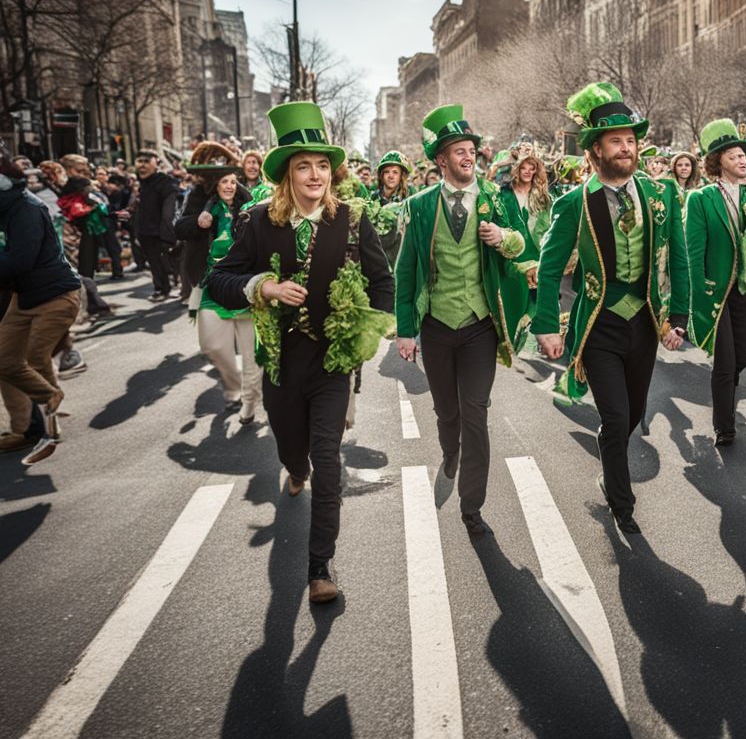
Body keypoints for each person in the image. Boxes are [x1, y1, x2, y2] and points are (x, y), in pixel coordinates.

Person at [207, 102, 394, 603]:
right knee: (294, 447)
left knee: (328, 456)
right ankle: (294, 467)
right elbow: (217, 280)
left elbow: (382, 282)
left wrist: (371, 329)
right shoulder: (257, 221)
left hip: (334, 362)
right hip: (283, 363)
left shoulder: (351, 219)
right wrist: (264, 288)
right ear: (286, 175)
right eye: (303, 166)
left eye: (322, 165)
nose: (315, 175)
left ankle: (320, 567)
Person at [533, 82, 689, 534]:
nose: (626, 147)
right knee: (616, 416)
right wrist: (547, 325)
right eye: (616, 141)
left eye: (631, 139)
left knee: (634, 414)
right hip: (598, 326)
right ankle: (621, 501)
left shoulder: (660, 196)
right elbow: (548, 268)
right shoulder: (574, 203)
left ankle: (611, 456)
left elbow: (678, 258)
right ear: (595, 150)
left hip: (643, 321)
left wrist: (678, 316)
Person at [394, 104, 536, 536]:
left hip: (479, 324)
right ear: (441, 160)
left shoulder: (495, 197)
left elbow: (522, 243)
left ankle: (472, 506)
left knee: (475, 411)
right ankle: (448, 451)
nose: (468, 156)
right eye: (458, 150)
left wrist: (502, 237)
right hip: (436, 324)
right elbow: (406, 269)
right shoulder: (419, 207)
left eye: (471, 149)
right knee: (447, 412)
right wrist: (405, 329)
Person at [684, 119, 746, 446]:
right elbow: (693, 252)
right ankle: (724, 426)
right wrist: (694, 295)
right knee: (726, 362)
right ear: (718, 163)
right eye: (732, 156)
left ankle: (727, 390)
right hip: (718, 292)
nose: (741, 160)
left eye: (743, 155)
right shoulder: (701, 199)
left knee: (742, 358)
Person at [0, 147, 81, 465]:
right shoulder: (7, 208)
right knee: (4, 359)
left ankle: (49, 408)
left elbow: (21, 260)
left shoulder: (27, 210)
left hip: (55, 295)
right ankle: (26, 428)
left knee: (35, 356)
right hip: (24, 296)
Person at [174, 145, 259, 422]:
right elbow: (179, 227)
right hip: (209, 282)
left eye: (233, 180)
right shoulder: (199, 198)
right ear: (214, 183)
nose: (230, 186)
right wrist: (198, 223)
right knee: (212, 345)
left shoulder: (247, 200)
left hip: (243, 281)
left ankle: (248, 401)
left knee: (250, 350)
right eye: (224, 181)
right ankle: (233, 385)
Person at [131, 150, 179, 302]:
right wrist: (137, 232)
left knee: (163, 263)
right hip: (145, 232)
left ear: (156, 163)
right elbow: (140, 210)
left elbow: (168, 213)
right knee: (154, 264)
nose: (142, 165)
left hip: (160, 232)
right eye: (139, 161)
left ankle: (166, 289)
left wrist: (168, 236)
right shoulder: (142, 183)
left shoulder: (165, 182)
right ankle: (161, 288)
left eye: (146, 161)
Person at [500, 153, 552, 251]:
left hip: (536, 248)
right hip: (511, 247)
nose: (527, 172)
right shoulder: (504, 192)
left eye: (532, 169)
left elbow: (547, 225)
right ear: (518, 170)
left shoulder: (543, 196)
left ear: (536, 171)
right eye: (523, 168)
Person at [373, 150, 415, 266]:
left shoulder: (410, 196)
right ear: (381, 176)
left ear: (402, 176)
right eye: (386, 172)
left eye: (395, 172)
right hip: (380, 255)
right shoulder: (373, 198)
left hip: (404, 255)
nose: (390, 176)